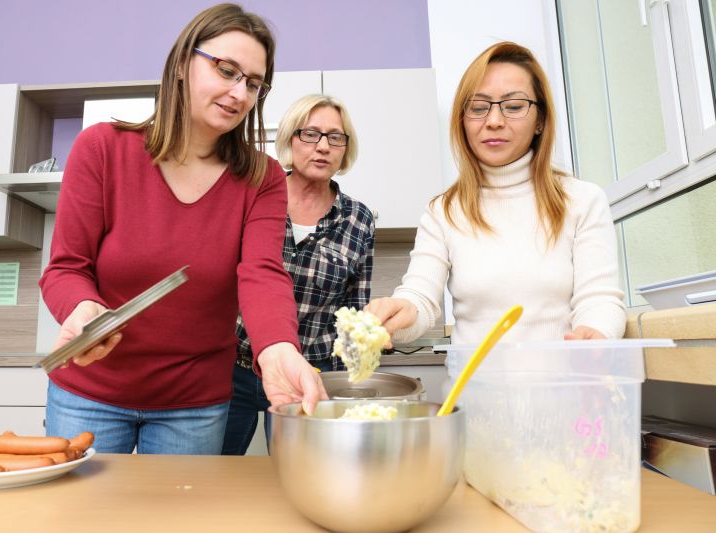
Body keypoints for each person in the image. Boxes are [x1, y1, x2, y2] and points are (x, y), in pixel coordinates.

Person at [39, 3, 326, 455]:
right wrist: (81, 307)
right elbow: (65, 268)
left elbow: (262, 274)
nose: (239, 93)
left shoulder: (262, 178)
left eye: (253, 83)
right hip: (88, 393)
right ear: (180, 64)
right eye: (227, 70)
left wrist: (276, 348)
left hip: (193, 405)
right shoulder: (101, 149)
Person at [366, 41, 626, 345]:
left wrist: (596, 332)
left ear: (540, 120)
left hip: (562, 387)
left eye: (514, 107)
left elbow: (600, 300)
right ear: (462, 121)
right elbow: (420, 299)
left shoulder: (581, 201)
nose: (493, 121)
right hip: (476, 391)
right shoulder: (444, 211)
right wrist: (400, 312)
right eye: (478, 108)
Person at [222, 94, 375, 455]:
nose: (323, 147)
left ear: (345, 149)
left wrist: (363, 353)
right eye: (310, 134)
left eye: (335, 137)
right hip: (234, 369)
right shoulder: (256, 197)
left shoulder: (359, 219)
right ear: (291, 139)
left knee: (300, 474)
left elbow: (354, 311)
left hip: (311, 373)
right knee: (216, 472)